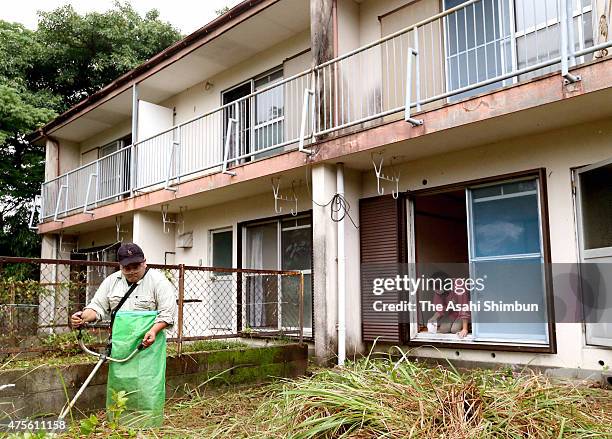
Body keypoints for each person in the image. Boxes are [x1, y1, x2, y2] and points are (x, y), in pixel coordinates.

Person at [70, 243, 177, 347]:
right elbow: (97, 306)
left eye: (136, 267)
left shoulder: (158, 281)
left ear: (144, 262)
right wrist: (82, 317)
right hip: (120, 346)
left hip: (149, 346)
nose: (132, 272)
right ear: (120, 266)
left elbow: (167, 313)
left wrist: (154, 331)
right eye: (127, 268)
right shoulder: (111, 281)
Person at [426, 272, 471, 338]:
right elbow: (439, 307)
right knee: (443, 330)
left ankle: (469, 325)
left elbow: (464, 306)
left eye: (437, 289)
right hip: (453, 312)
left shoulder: (458, 285)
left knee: (454, 330)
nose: (436, 291)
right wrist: (433, 318)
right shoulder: (438, 289)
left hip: (466, 312)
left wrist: (465, 329)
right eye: (434, 289)